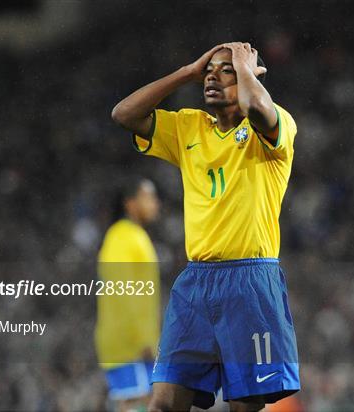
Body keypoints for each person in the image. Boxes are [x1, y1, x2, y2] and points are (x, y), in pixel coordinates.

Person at [112, 42, 300, 412]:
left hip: (250, 282)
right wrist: (186, 71)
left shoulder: (274, 127)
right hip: (195, 283)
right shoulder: (189, 128)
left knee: (244, 406)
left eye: (225, 70)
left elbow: (258, 108)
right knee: (162, 403)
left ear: (252, 75)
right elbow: (124, 114)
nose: (212, 76)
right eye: (209, 70)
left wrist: (246, 70)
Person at [95, 177, 161, 412]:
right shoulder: (122, 237)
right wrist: (143, 339)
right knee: (135, 405)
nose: (155, 203)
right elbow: (123, 290)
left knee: (140, 404)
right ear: (130, 203)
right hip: (129, 344)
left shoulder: (131, 236)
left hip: (132, 342)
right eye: (148, 197)